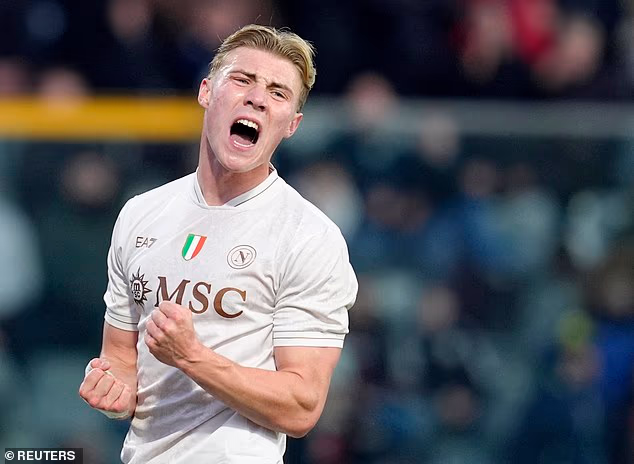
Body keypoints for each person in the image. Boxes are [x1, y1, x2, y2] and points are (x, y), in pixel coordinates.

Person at [78, 24, 358, 463]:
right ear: (206, 91)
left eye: (278, 93)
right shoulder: (140, 213)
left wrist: (192, 357)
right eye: (243, 80)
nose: (257, 98)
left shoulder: (309, 236)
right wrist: (115, 390)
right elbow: (119, 355)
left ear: (292, 125)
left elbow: (302, 405)